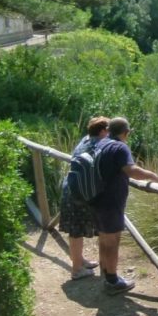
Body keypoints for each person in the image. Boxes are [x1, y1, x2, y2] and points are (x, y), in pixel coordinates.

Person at [93, 116, 158, 294]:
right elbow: (131, 171)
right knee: (113, 241)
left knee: (105, 239)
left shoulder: (101, 144)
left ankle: (106, 273)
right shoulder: (120, 147)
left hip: (97, 198)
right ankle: (113, 281)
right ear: (126, 133)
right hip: (111, 200)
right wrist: (151, 175)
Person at [60, 116, 110, 280]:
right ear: (102, 131)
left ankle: (79, 260)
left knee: (76, 228)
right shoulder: (98, 145)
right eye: (108, 131)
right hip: (80, 192)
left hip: (71, 187)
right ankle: (76, 270)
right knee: (76, 231)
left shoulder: (85, 140)